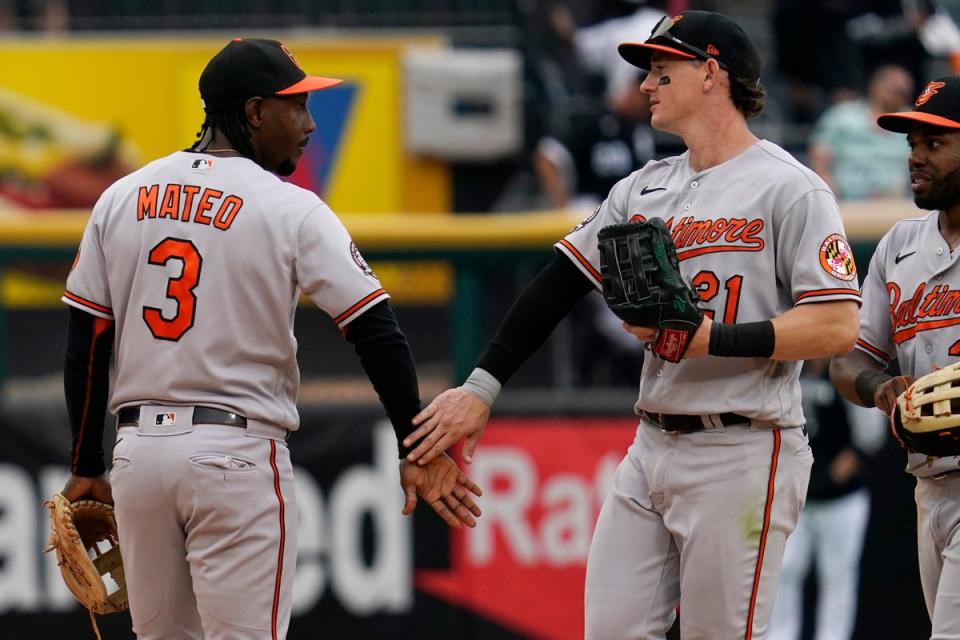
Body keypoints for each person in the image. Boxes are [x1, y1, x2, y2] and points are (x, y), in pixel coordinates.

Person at [402, 11, 861, 638]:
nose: (645, 83)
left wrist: (713, 339)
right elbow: (559, 282)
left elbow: (836, 325)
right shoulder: (642, 188)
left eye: (661, 68)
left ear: (710, 72)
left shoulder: (792, 188)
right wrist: (481, 388)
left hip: (745, 444)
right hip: (651, 443)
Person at [56, 38, 481, 640]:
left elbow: (89, 340)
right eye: (296, 106)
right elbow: (376, 331)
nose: (309, 124)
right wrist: (413, 443)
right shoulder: (291, 207)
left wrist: (87, 464)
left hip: (138, 460)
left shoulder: (122, 196)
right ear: (255, 113)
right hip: (235, 455)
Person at [829, 74, 960, 640]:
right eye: (911, 144)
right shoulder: (898, 246)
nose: (916, 157)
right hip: (927, 486)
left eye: (934, 143)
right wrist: (877, 386)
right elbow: (845, 362)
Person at [767, 359, 871, 640]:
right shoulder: (785, 371)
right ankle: (779, 635)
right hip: (793, 496)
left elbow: (868, 438)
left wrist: (838, 472)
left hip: (841, 497)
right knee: (783, 572)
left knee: (837, 576)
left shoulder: (845, 373)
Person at [808, 64, 914, 200]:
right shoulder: (842, 115)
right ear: (874, 86)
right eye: (893, 87)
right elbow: (819, 159)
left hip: (896, 204)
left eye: (903, 91)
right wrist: (829, 197)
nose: (899, 92)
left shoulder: (912, 122)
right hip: (847, 204)